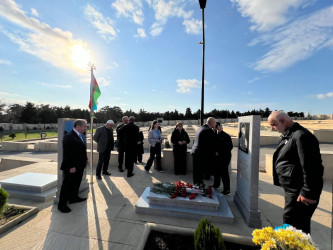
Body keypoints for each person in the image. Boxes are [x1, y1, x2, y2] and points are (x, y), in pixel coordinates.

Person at [268, 111, 324, 234]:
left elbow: (313, 168)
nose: (272, 128)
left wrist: (307, 193)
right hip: (293, 190)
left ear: (283, 121)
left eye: (273, 124)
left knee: (294, 227)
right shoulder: (289, 134)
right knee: (293, 226)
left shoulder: (302, 136)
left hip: (299, 194)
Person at [58, 119, 88, 213]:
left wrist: (85, 159)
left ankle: (73, 197)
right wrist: (72, 166)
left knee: (77, 182)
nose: (85, 128)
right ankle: (62, 205)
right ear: (78, 126)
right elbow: (68, 154)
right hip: (72, 167)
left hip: (80, 165)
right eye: (84, 126)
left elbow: (81, 150)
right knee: (67, 185)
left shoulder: (81, 135)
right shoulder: (69, 137)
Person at [191, 117, 218, 185]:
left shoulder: (200, 128)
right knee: (200, 172)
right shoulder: (208, 130)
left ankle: (196, 185)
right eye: (215, 123)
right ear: (211, 123)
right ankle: (199, 187)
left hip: (195, 152)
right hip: (201, 154)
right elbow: (214, 142)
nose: (215, 124)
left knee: (196, 172)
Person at [213, 122, 233, 195]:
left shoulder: (226, 136)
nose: (220, 127)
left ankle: (226, 190)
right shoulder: (215, 135)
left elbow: (230, 147)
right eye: (218, 126)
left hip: (225, 157)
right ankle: (216, 184)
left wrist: (219, 152)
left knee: (224, 173)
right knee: (216, 171)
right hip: (217, 157)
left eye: (220, 126)